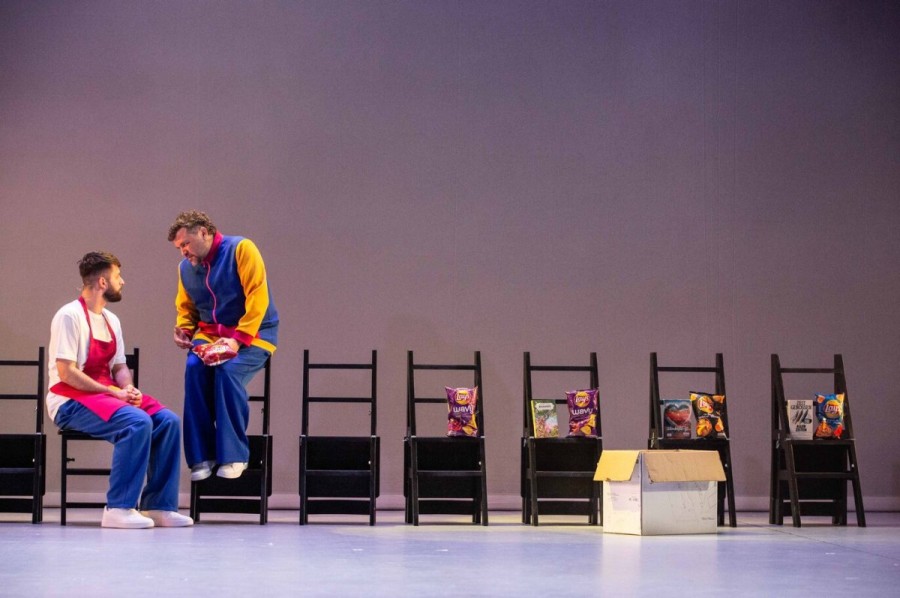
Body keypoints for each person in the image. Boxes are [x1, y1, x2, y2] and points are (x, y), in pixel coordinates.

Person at [47, 252, 193, 529]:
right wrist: (114, 393)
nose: (122, 281)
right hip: (69, 401)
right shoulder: (69, 316)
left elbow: (119, 367)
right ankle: (118, 507)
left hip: (107, 395)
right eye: (117, 276)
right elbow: (66, 373)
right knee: (137, 422)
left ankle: (158, 506)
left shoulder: (111, 320)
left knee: (168, 422)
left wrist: (128, 388)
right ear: (103, 282)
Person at [168, 210, 278, 481]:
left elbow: (258, 296)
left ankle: (234, 454)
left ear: (204, 232)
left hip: (254, 333)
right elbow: (186, 308)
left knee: (228, 372)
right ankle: (201, 456)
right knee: (194, 368)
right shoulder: (185, 268)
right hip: (211, 335)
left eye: (185, 244)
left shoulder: (241, 249)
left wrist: (238, 340)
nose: (183, 252)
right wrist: (184, 329)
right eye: (179, 247)